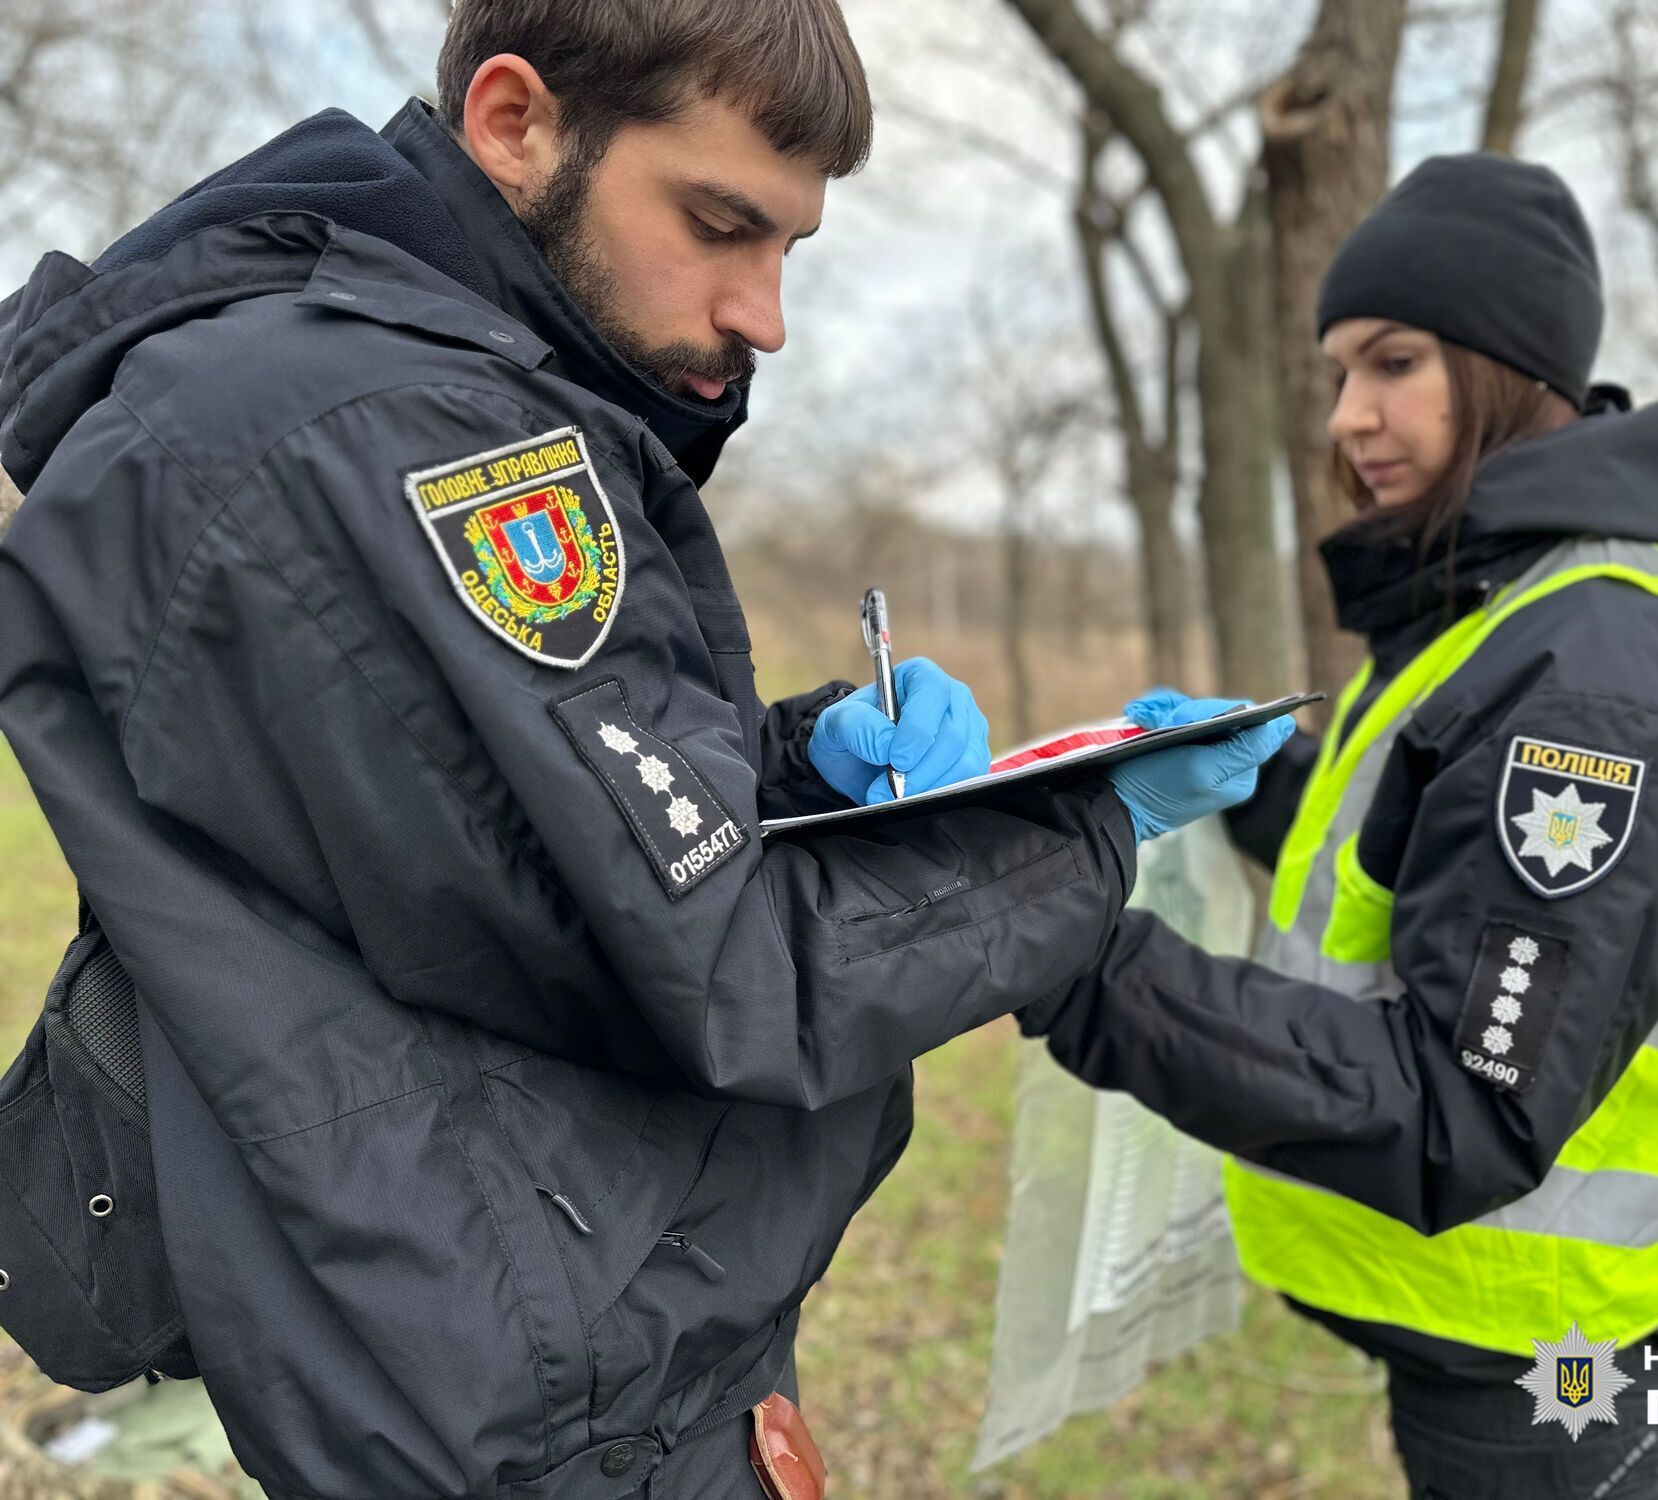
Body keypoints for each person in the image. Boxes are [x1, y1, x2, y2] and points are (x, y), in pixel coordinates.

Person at [0, 4, 1291, 1496]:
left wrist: (801, 763)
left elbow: (479, 838)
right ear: (513, 121)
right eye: (718, 223)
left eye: (789, 249)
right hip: (544, 1410)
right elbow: (728, 968)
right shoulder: (403, 431)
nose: (766, 315)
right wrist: (1087, 822)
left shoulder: (382, 388)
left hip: (557, 1337)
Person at [1022, 153, 1658, 1498]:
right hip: (1492, 1330)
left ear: (1508, 367)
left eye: (1393, 362)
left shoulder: (1597, 680)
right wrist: (1249, 779)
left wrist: (1074, 958)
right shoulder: (1505, 609)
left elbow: (1463, 1107)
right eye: (1337, 373)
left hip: (1561, 1377)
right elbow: (1424, 867)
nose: (1349, 417)